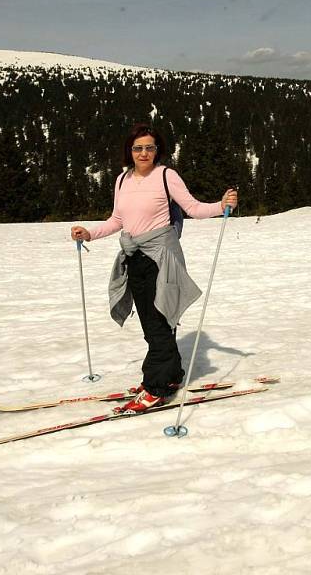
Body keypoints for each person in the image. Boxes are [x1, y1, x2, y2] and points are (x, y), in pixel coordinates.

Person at [71, 123, 237, 413]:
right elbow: (116, 220)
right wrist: (89, 234)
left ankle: (156, 386)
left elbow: (193, 208)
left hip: (162, 257)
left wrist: (221, 205)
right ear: (130, 151)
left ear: (157, 150)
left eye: (149, 147)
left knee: (159, 322)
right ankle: (170, 375)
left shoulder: (166, 176)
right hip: (134, 257)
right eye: (138, 148)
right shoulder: (122, 180)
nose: (144, 153)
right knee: (154, 322)